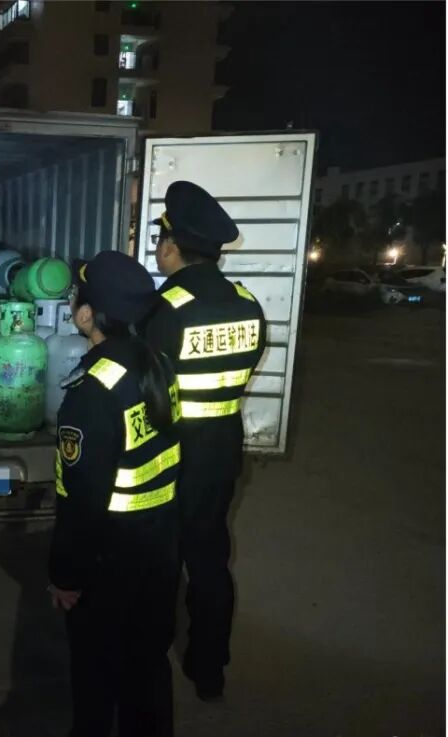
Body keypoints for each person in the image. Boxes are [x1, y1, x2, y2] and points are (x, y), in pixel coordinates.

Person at [141, 181, 267, 701]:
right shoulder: (248, 303)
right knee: (210, 559)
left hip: (171, 453)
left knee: (160, 560)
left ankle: (149, 660)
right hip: (222, 450)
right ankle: (209, 668)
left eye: (160, 240)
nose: (158, 249)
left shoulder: (165, 307)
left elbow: (144, 390)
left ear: (172, 246)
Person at [50, 251, 183, 737]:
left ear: (88, 315)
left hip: (110, 558)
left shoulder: (92, 391)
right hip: (160, 546)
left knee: (96, 675)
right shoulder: (158, 364)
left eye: (75, 297)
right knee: (147, 667)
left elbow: (82, 500)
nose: (72, 304)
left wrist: (66, 575)